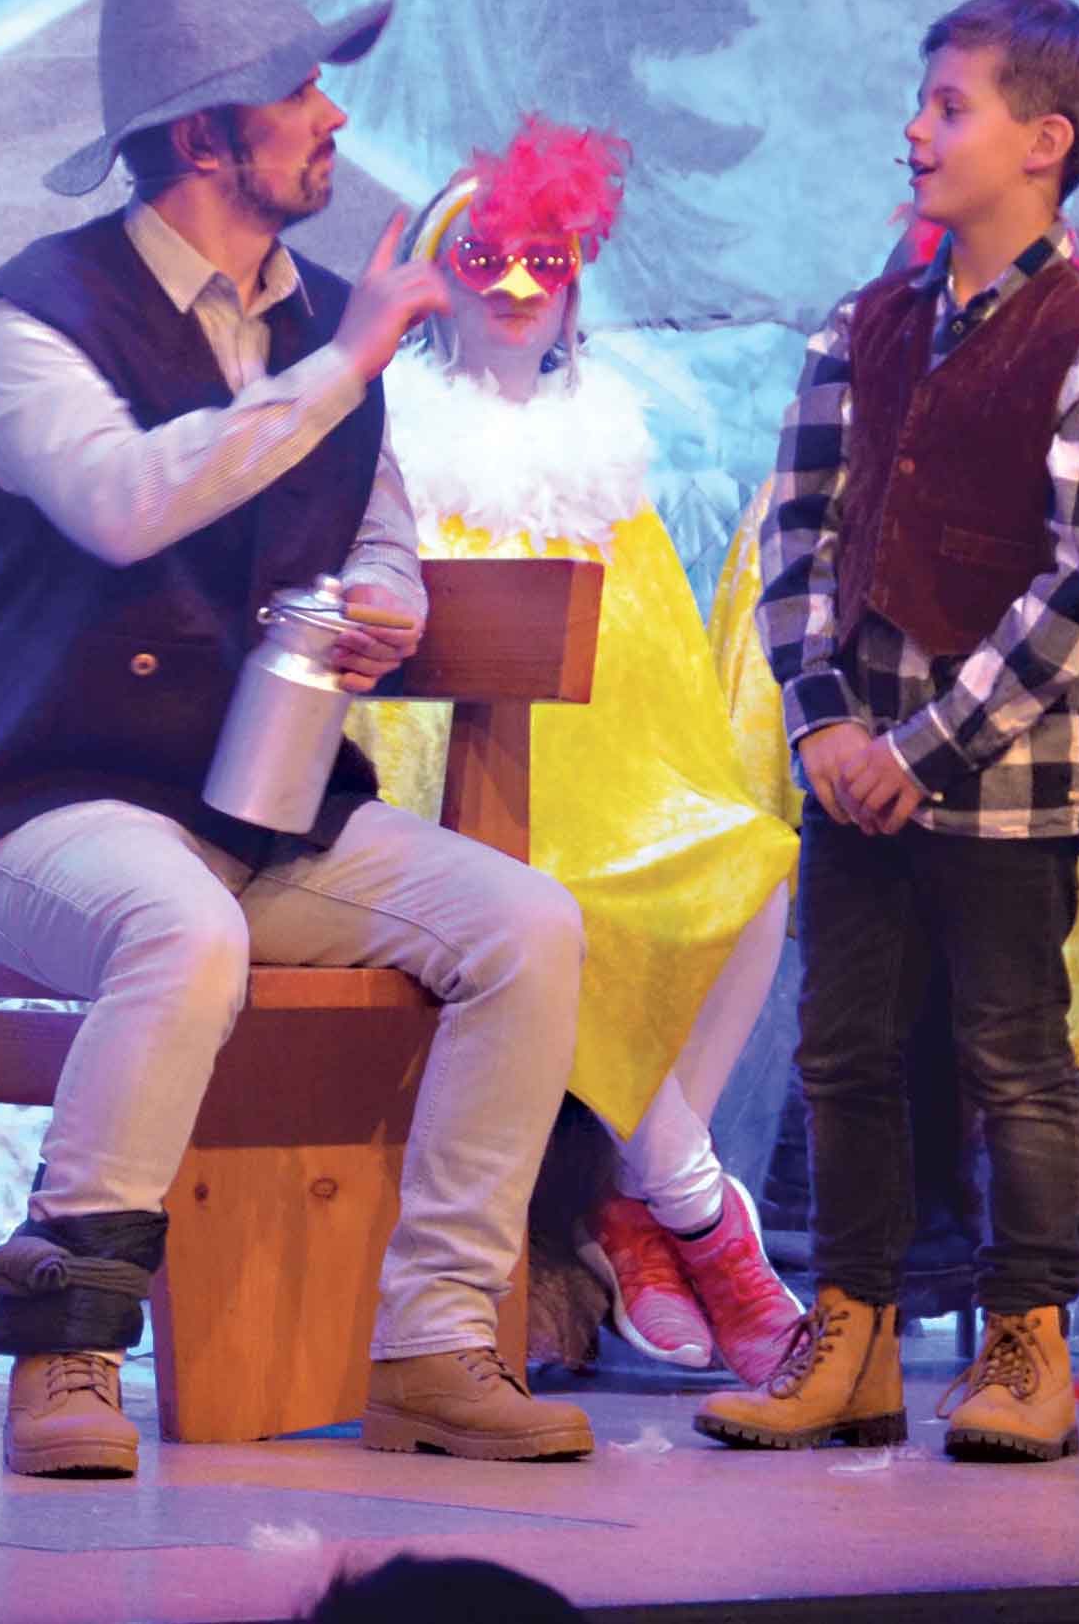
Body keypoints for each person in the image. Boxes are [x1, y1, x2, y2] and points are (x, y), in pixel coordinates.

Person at [0, 0, 589, 1479]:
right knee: (180, 926)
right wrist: (344, 362)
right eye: (297, 92)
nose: (331, 117)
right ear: (205, 135)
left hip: (262, 813)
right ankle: (67, 1343)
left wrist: (386, 605)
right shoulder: (32, 320)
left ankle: (436, 1343)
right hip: (54, 812)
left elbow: (376, 521)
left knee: (525, 925)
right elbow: (122, 499)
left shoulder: (316, 322)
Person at [696, 0, 1079, 1466]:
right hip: (856, 770)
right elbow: (798, 537)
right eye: (921, 102)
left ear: (1044, 140)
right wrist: (827, 726)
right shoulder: (865, 326)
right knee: (844, 1053)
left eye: (949, 106)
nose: (915, 129)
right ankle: (853, 1335)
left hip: (1002, 774)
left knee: (1011, 1057)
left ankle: (1028, 1341)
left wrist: (922, 751)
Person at [363, 117, 802, 1384]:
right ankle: (694, 1207)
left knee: (751, 867)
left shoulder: (606, 466)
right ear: (438, 277)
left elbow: (657, 689)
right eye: (485, 255)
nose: (514, 284)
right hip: (453, 808)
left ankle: (632, 1198)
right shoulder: (396, 454)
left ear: (576, 287)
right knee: (562, 899)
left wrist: (670, 799)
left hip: (610, 794)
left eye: (544, 260)